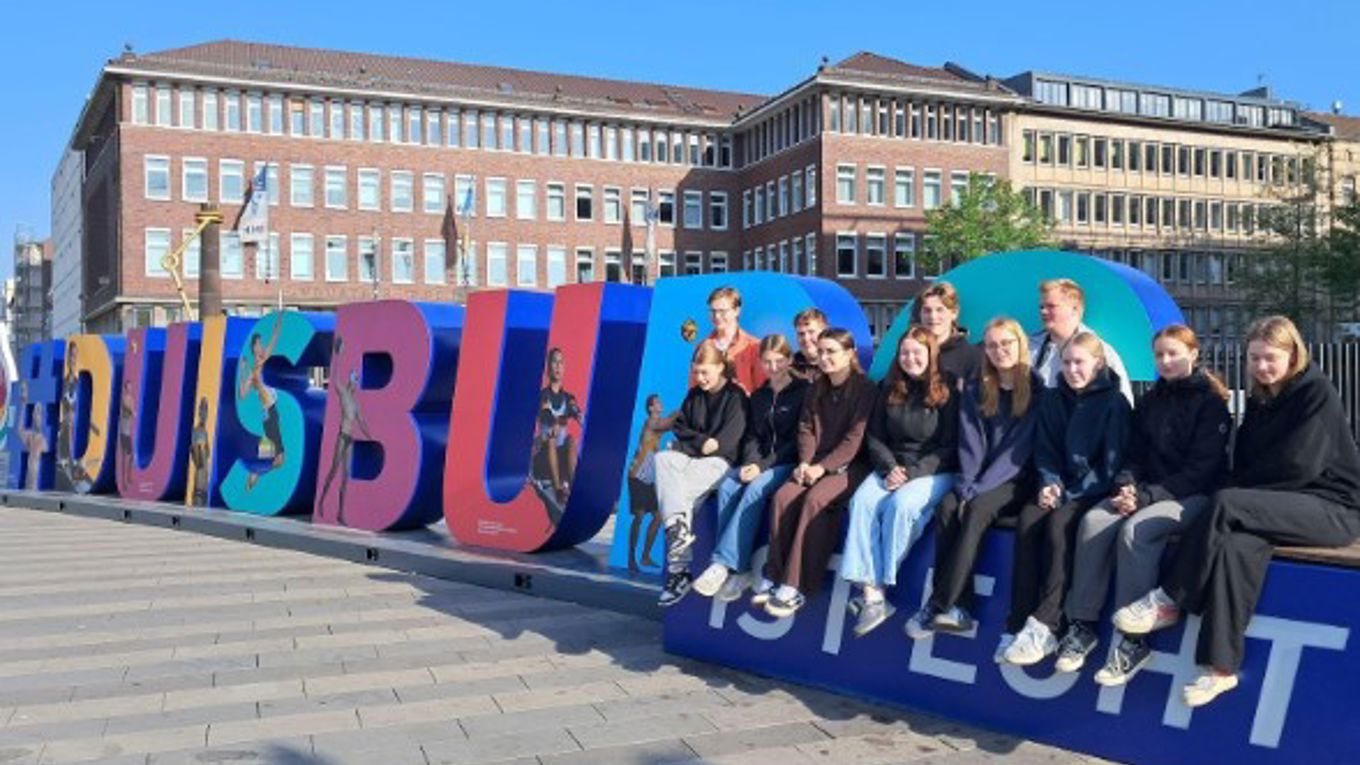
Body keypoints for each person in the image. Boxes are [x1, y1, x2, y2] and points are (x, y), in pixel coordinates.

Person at [1114, 316, 1360, 708]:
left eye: (1271, 358)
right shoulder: (1262, 398)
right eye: (1255, 358)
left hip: (1332, 508)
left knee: (1227, 502)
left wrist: (1241, 494)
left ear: (1293, 355)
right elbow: (1244, 458)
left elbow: (1298, 466)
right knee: (1235, 548)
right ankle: (1220, 668)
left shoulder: (1315, 392)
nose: (1262, 366)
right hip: (1281, 504)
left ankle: (1170, 597)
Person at [1056, 325, 1230, 684]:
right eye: (1160, 355)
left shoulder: (1211, 404)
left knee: (1137, 531)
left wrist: (1145, 498)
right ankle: (1082, 625)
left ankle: (1132, 641)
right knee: (1093, 522)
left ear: (1193, 354)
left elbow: (1201, 470)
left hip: (1192, 497)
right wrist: (1126, 486)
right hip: (1145, 492)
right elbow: (1133, 454)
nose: (1166, 361)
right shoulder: (1151, 401)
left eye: (1173, 354)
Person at [905, 317, 1039, 655]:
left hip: (1015, 480)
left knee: (977, 509)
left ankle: (938, 604)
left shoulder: (1038, 390)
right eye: (992, 345)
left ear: (1020, 345)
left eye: (1006, 343)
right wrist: (966, 484)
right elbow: (971, 442)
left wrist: (978, 490)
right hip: (976, 477)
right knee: (949, 506)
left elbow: (1017, 452)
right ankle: (958, 607)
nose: (999, 351)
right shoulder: (978, 387)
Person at [1002, 331, 1131, 666]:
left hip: (1092, 490)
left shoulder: (1114, 402)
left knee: (1059, 528)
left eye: (1080, 363)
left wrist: (1069, 493)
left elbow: (1111, 464)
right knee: (1029, 522)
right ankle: (1018, 622)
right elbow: (1044, 449)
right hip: (1058, 487)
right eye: (1068, 362)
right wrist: (1049, 483)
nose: (1073, 369)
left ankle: (1047, 623)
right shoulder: (1051, 398)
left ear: (1098, 364)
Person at [838, 326, 959, 636]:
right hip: (891, 466)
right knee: (862, 502)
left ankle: (877, 583)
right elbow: (875, 436)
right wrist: (889, 467)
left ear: (931, 354)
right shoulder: (888, 388)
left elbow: (951, 446)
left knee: (903, 505)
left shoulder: (948, 391)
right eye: (904, 352)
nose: (910, 358)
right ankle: (872, 595)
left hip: (933, 470)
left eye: (917, 352)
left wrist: (913, 473)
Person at [760, 328, 876, 618]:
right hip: (813, 463)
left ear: (850, 354)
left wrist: (821, 469)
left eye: (831, 352)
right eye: (821, 352)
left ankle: (797, 585)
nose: (824, 358)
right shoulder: (815, 387)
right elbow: (805, 428)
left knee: (816, 500)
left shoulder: (865, 389)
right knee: (784, 496)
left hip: (853, 466)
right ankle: (774, 573)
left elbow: (855, 439)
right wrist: (805, 462)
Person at [691, 334, 810, 602]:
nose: (773, 367)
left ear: (790, 360)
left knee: (755, 488)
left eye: (779, 361)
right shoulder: (759, 395)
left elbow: (796, 441)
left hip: (786, 462)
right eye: (767, 362)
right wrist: (752, 463)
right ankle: (739, 570)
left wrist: (763, 467)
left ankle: (722, 564)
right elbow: (752, 436)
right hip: (760, 462)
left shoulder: (804, 393)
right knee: (730, 484)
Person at [656, 342, 749, 606]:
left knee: (675, 492)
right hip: (693, 459)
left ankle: (678, 571)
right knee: (662, 459)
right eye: (697, 372)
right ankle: (678, 529)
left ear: (721, 368)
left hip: (721, 465)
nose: (700, 378)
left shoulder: (736, 397)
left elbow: (728, 444)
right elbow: (680, 427)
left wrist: (695, 445)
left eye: (706, 372)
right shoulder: (694, 395)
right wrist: (701, 442)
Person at [1030, 279, 1133, 404]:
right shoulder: (1031, 348)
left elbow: (1123, 400)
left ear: (1075, 309)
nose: (1043, 311)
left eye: (1051, 306)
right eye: (1041, 307)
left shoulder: (1100, 350)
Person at [319, 342, 375, 525]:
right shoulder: (344, 394)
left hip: (350, 439)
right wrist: (338, 354)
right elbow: (334, 379)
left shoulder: (356, 403)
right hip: (342, 437)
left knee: (345, 477)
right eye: (353, 378)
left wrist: (371, 437)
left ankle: (340, 514)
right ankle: (321, 502)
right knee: (333, 471)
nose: (354, 382)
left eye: (356, 380)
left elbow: (362, 422)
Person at [238, 312, 285, 490]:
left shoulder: (261, 363)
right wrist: (244, 372)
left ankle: (256, 474)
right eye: (259, 344)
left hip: (271, 415)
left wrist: (278, 322)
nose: (263, 346)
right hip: (269, 416)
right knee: (278, 459)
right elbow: (243, 394)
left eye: (262, 343)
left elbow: (273, 340)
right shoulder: (254, 370)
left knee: (275, 458)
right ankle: (255, 474)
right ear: (254, 348)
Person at [532, 347, 581, 509]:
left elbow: (575, 410)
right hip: (543, 452)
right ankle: (559, 489)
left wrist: (579, 417)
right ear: (548, 367)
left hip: (561, 453)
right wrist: (556, 422)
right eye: (554, 362)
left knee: (572, 440)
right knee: (552, 439)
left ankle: (575, 488)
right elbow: (545, 412)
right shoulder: (542, 395)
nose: (558, 366)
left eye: (561, 363)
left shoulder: (569, 398)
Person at [626, 394, 668, 574]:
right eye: (657, 402)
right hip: (637, 476)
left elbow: (652, 450)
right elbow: (669, 423)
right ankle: (630, 559)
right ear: (651, 408)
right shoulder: (651, 422)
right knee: (639, 516)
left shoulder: (656, 428)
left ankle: (645, 555)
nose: (661, 404)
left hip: (649, 479)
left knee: (658, 516)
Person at [699, 286, 766, 394]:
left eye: (722, 311)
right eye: (713, 311)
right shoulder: (703, 346)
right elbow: (694, 391)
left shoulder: (753, 346)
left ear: (736, 311)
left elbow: (761, 390)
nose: (717, 316)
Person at [913, 282, 981, 384]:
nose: (933, 317)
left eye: (940, 310)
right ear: (920, 315)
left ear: (954, 313)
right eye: (927, 311)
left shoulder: (971, 356)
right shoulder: (911, 353)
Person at [791, 308, 829, 382]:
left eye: (811, 332)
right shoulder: (789, 368)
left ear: (825, 332)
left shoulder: (837, 366)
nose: (806, 338)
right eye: (801, 334)